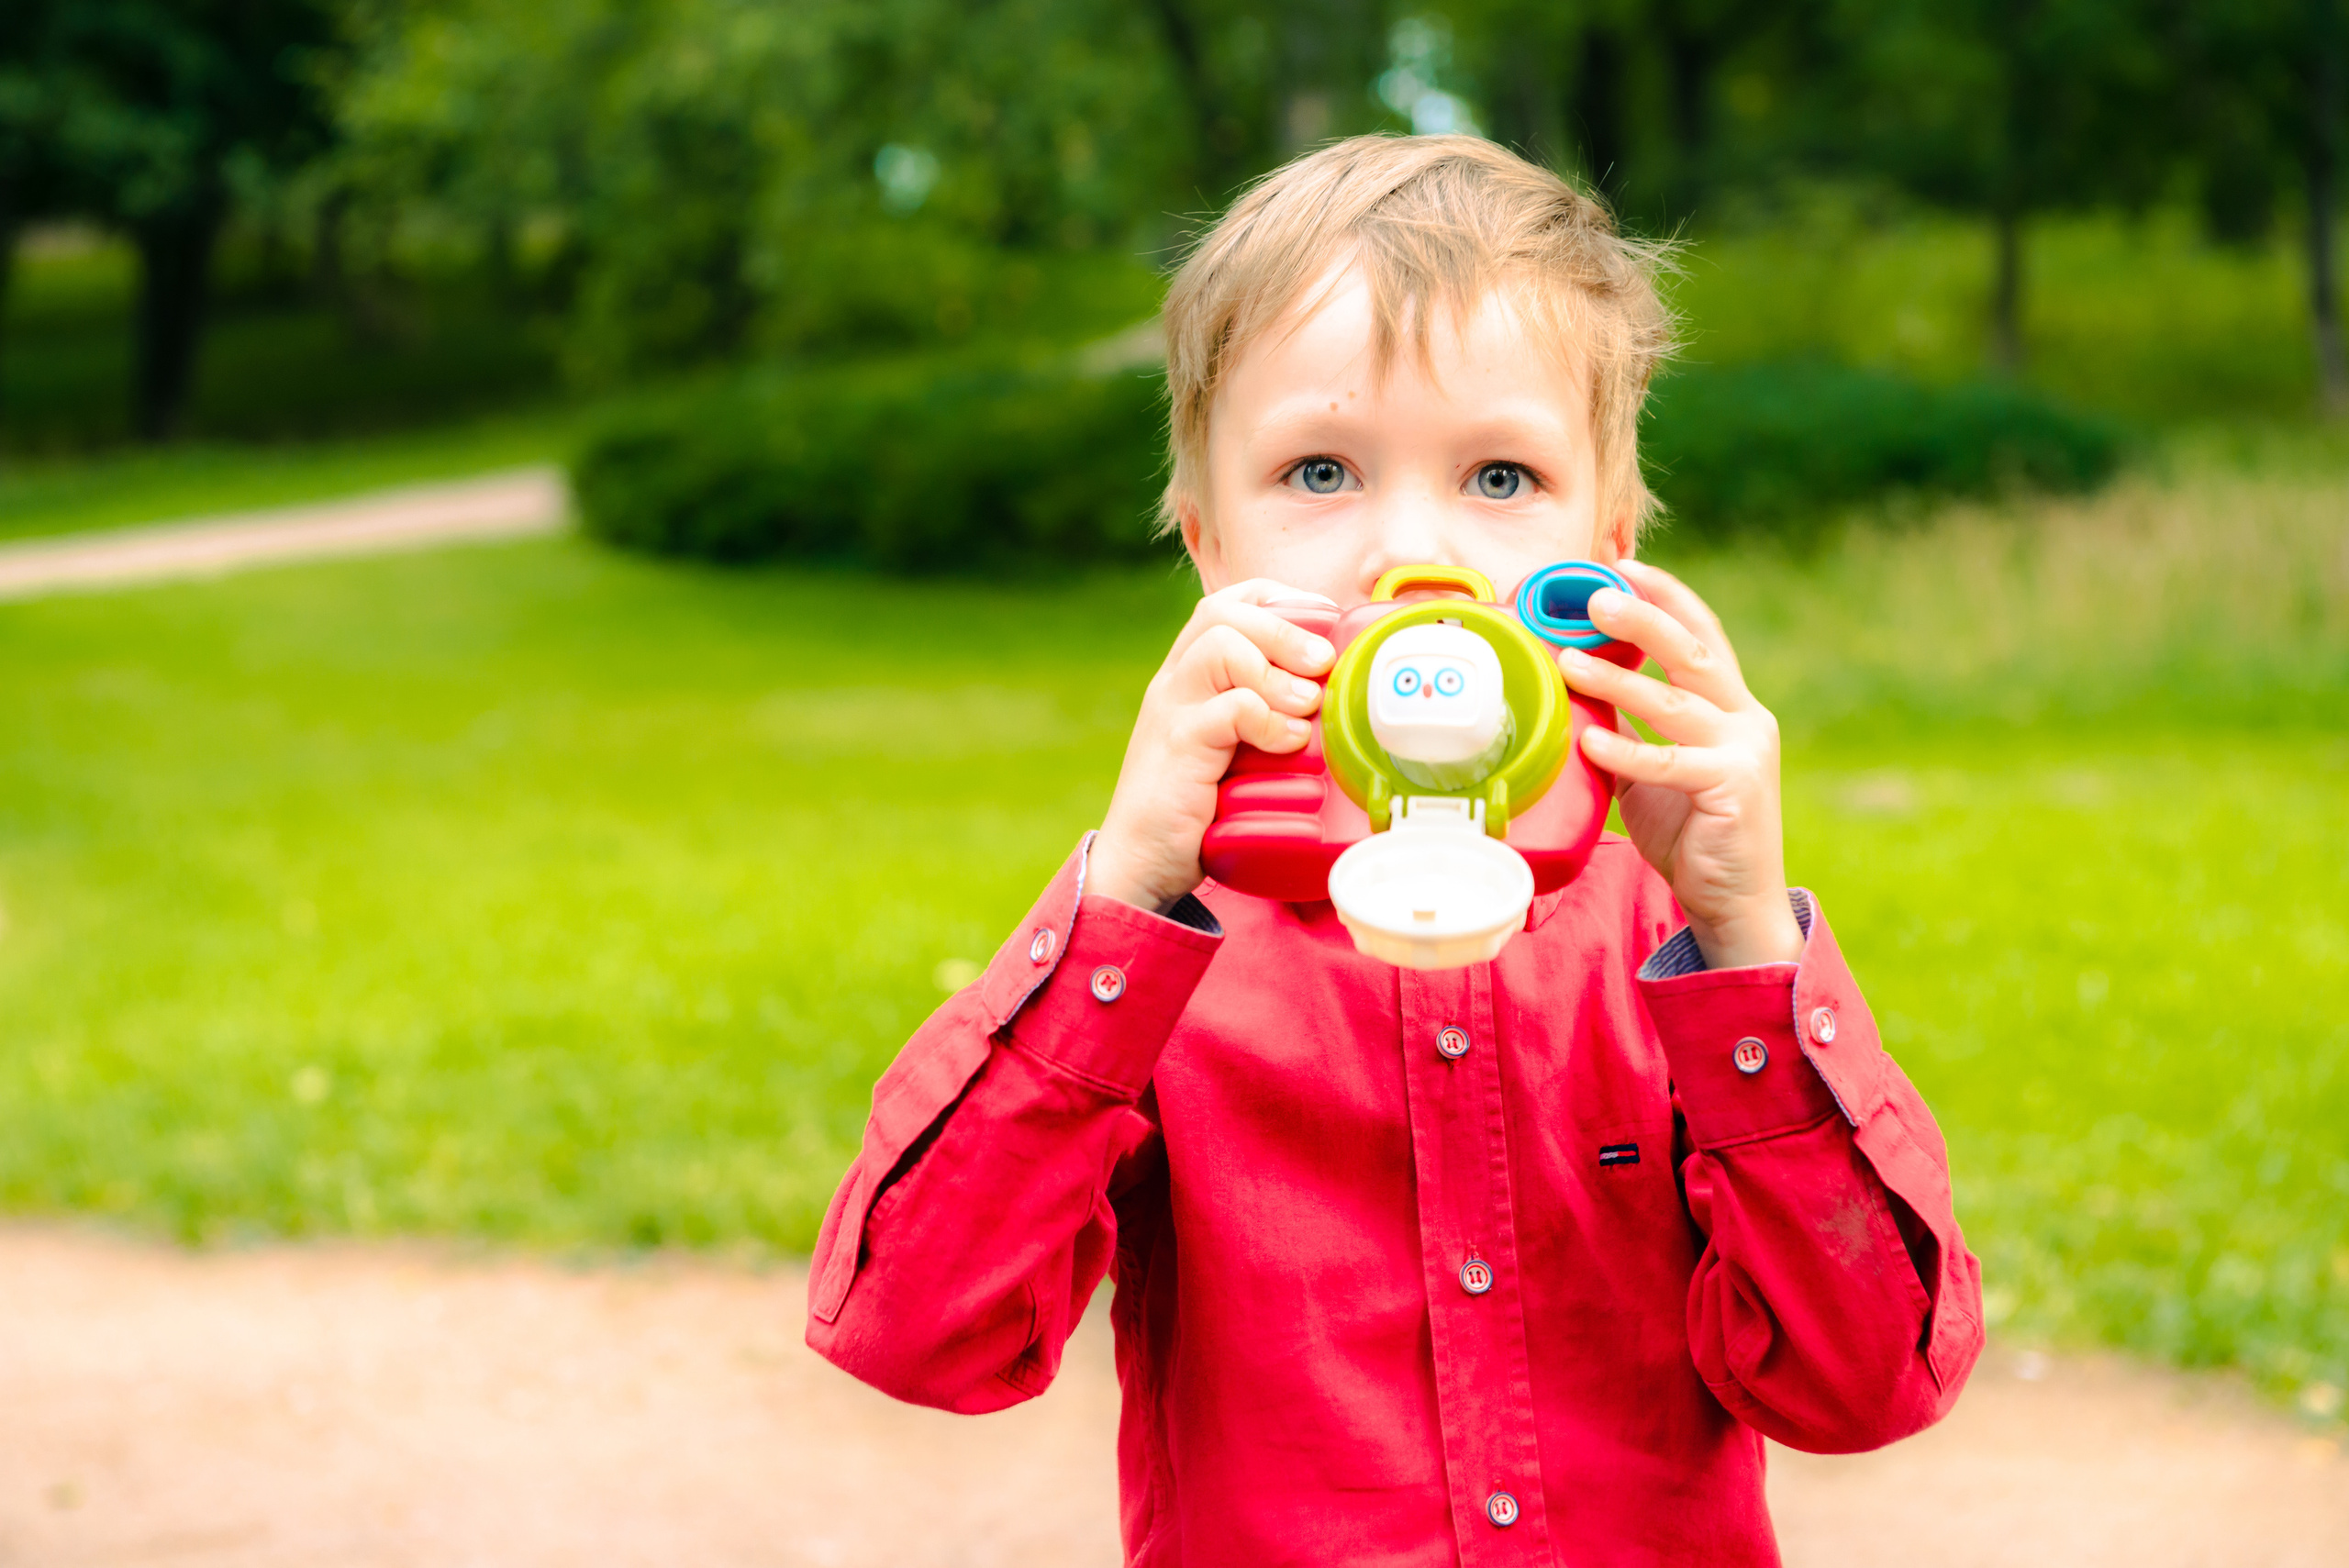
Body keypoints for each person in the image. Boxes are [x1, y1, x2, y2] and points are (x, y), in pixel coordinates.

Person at [805, 135, 1983, 1565]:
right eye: (1320, 469)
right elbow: (920, 1334)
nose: (1410, 553)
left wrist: (1745, 949)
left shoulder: (1664, 942)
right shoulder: (1162, 952)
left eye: (1498, 477)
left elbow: (1865, 1385)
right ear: (1209, 554)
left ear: (1600, 556)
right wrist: (1122, 899)